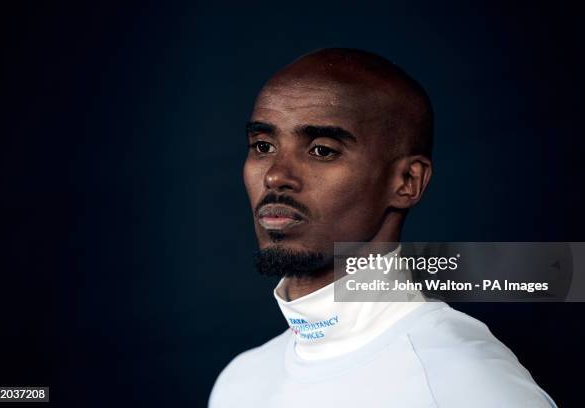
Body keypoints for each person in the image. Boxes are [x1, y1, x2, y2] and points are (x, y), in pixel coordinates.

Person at [209, 48, 556, 407]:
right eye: (263, 146)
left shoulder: (466, 383)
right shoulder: (239, 383)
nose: (275, 175)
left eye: (322, 150)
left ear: (407, 181)